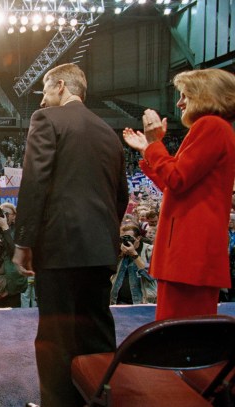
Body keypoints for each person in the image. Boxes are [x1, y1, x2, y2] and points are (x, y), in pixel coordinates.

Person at [12, 63, 128, 407]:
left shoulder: (47, 120)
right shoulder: (109, 131)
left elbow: (35, 183)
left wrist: (24, 241)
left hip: (60, 247)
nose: (43, 97)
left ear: (61, 86)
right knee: (97, 332)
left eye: (46, 89)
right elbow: (119, 196)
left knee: (55, 336)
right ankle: (98, 399)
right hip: (100, 248)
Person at [123, 68, 235, 320]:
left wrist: (154, 144)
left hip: (189, 252)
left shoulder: (211, 126)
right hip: (191, 253)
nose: (179, 102)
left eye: (185, 95)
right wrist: (149, 151)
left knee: (179, 337)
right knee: (184, 335)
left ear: (205, 95)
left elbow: (177, 178)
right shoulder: (216, 128)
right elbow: (173, 186)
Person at [110, 223, 154, 305]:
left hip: (142, 303)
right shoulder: (118, 251)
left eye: (129, 238)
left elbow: (151, 276)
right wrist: (119, 254)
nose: (126, 242)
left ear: (138, 238)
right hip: (118, 302)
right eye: (123, 239)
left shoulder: (149, 250)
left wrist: (134, 254)